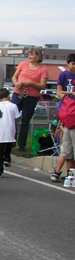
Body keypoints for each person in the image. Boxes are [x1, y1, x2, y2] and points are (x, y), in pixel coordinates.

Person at [11, 47, 48, 151]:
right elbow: (14, 76)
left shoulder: (43, 70)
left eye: (32, 54)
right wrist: (16, 84)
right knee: (11, 117)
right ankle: (10, 141)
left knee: (25, 121)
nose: (30, 56)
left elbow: (42, 85)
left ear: (38, 56)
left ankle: (21, 145)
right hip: (18, 94)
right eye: (29, 54)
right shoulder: (23, 64)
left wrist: (31, 83)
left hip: (31, 97)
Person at [51, 54, 75, 182]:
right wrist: (70, 95)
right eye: (73, 63)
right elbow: (59, 93)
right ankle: (58, 171)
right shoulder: (63, 75)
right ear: (68, 63)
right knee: (65, 146)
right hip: (66, 112)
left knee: (69, 147)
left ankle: (70, 174)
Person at [0, 88, 21, 177]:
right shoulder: (13, 106)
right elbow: (17, 118)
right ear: (9, 96)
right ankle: (7, 159)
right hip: (10, 130)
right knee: (8, 146)